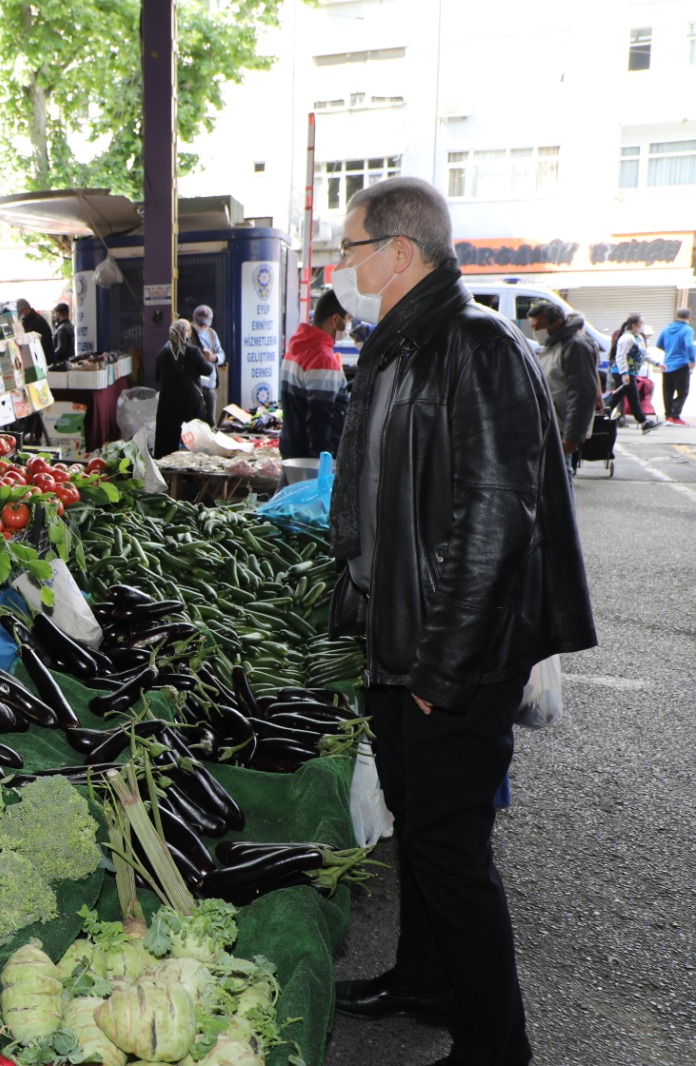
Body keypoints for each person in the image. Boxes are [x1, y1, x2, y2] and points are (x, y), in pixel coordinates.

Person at [327, 177, 595, 1066]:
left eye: (350, 249)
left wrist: (442, 668)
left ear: (399, 252)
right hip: (398, 640)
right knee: (422, 830)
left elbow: (496, 518)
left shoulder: (475, 344)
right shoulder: (401, 343)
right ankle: (425, 979)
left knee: (452, 849)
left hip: (454, 654)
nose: (341, 268)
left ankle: (495, 1045)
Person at [278, 289, 350, 459]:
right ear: (335, 319)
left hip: (291, 446)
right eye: (347, 320)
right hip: (310, 458)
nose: (348, 326)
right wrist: (322, 464)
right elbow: (320, 418)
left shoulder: (298, 346)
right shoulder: (323, 358)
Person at [526, 301, 601, 458]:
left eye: (539, 326)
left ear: (558, 323)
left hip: (563, 427)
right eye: (532, 326)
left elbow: (582, 393)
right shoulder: (551, 345)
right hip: (552, 423)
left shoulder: (575, 346)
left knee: (561, 475)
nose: (535, 331)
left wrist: (572, 435)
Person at [153, 318, 212, 457]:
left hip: (168, 405)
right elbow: (207, 370)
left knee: (168, 440)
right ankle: (190, 475)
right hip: (190, 404)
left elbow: (157, 377)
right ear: (186, 334)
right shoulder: (194, 352)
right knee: (191, 439)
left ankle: (168, 471)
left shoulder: (162, 353)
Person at [604, 313, 659, 433]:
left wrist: (657, 363)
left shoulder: (637, 338)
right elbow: (620, 356)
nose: (643, 326)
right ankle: (644, 422)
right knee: (633, 396)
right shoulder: (626, 338)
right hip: (622, 372)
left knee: (619, 396)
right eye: (641, 324)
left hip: (630, 372)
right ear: (634, 325)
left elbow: (643, 354)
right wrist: (624, 373)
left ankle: (603, 413)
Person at [654, 308, 693, 425]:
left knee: (667, 390)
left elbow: (658, 344)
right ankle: (674, 415)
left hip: (667, 363)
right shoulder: (687, 330)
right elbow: (689, 345)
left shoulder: (666, 329)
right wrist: (693, 359)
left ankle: (668, 416)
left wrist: (670, 351)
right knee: (683, 391)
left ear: (676, 316)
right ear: (689, 317)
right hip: (681, 363)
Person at [191, 305, 225, 423]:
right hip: (194, 385)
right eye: (200, 323)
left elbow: (221, 354)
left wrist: (214, 358)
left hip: (210, 384)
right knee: (195, 420)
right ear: (193, 319)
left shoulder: (211, 334)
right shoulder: (188, 334)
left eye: (205, 323)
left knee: (210, 419)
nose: (203, 326)